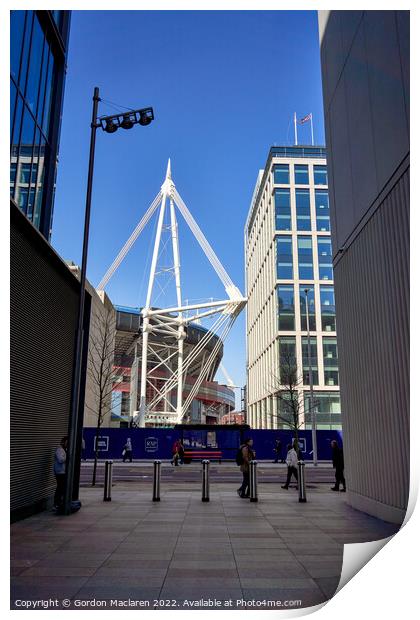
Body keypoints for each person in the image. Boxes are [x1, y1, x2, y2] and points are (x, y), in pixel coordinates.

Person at [54, 436, 67, 509]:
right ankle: (56, 503)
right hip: (59, 471)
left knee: (61, 487)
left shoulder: (63, 450)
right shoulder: (59, 450)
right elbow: (60, 460)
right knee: (60, 487)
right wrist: (67, 457)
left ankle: (59, 502)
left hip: (62, 471)